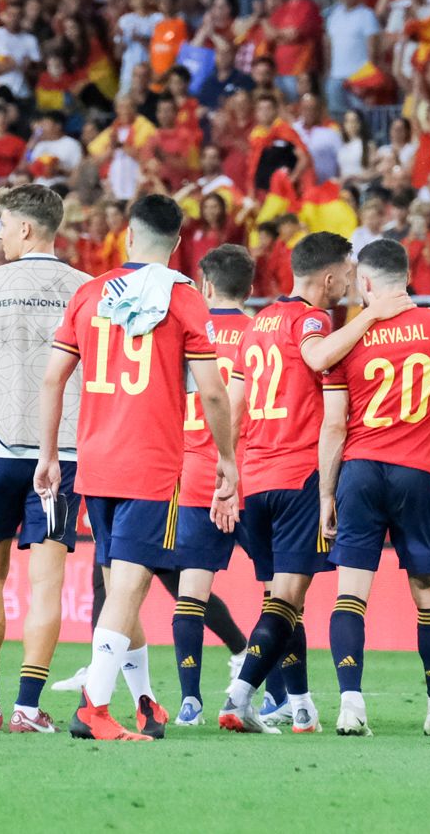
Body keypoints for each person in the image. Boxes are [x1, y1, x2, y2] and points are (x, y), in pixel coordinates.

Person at [35, 194, 238, 742]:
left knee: (117, 584)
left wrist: (49, 454)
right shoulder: (182, 299)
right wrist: (227, 459)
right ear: (176, 245)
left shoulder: (89, 293)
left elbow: (52, 378)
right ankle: (93, 708)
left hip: (94, 461)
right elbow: (214, 393)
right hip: (150, 463)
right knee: (129, 588)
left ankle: (145, 701)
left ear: (128, 235)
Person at [220, 230, 405, 736]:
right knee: (286, 601)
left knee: (283, 600)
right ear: (328, 277)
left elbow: (234, 405)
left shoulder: (258, 323)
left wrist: (228, 469)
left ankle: (300, 706)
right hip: (297, 474)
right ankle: (239, 696)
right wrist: (372, 315)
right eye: (348, 273)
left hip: (255, 476)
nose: (352, 281)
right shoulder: (314, 319)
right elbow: (318, 357)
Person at [317, 238, 430, 738]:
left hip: (359, 471)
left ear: (364, 283)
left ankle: (351, 704)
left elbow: (335, 426)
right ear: (407, 276)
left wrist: (326, 493)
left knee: (350, 594)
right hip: (417, 471)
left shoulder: (346, 339)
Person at [0, 184, 86, 734]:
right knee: (47, 581)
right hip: (62, 449)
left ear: (26, 229)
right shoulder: (85, 288)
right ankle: (29, 707)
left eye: (3, 223)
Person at [169, 244, 257, 728]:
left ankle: (190, 701)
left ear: (205, 285)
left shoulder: (185, 330)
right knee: (280, 593)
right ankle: (280, 697)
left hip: (195, 474)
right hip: (252, 474)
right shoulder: (261, 334)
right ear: (250, 287)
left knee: (190, 595)